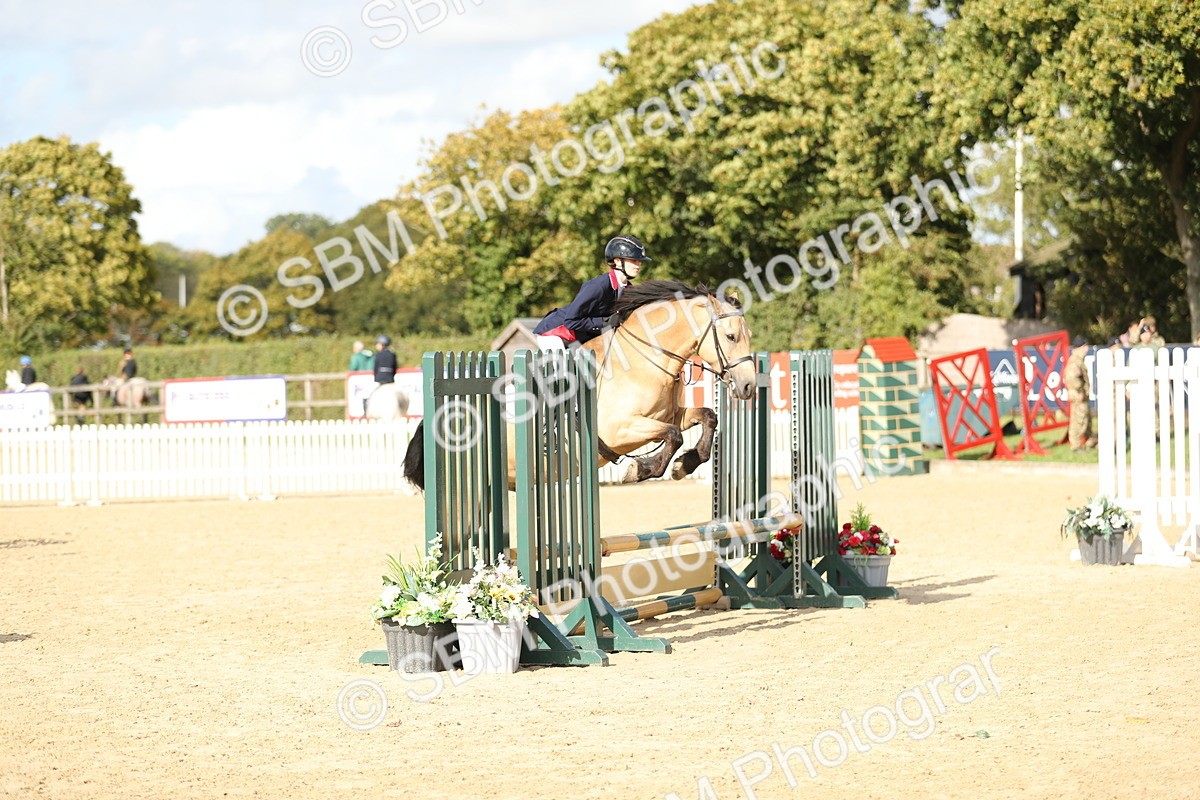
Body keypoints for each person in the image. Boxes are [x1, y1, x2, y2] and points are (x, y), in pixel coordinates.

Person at [533, 234, 651, 349]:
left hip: (579, 340)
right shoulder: (598, 286)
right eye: (634, 260)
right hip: (556, 334)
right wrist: (606, 322)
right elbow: (571, 321)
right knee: (564, 369)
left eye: (639, 261)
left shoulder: (628, 289)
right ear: (618, 261)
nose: (638, 265)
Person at [1064, 335, 1095, 451]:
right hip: (1078, 395)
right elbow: (1072, 378)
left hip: (1081, 394)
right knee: (1078, 420)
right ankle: (1076, 445)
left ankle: (1090, 440)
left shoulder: (1079, 360)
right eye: (1084, 347)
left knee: (1086, 419)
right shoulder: (1075, 361)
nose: (1086, 350)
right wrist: (1080, 391)